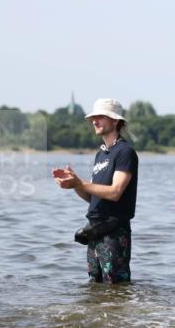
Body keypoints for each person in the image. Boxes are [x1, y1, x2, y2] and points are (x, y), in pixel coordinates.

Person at [53, 98, 138, 284]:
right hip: (94, 230)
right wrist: (75, 184)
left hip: (115, 231)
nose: (94, 121)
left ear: (115, 121)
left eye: (100, 116)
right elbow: (93, 198)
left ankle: (120, 314)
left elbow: (115, 192)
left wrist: (81, 183)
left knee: (116, 287)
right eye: (93, 117)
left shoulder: (125, 152)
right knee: (94, 286)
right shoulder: (101, 155)